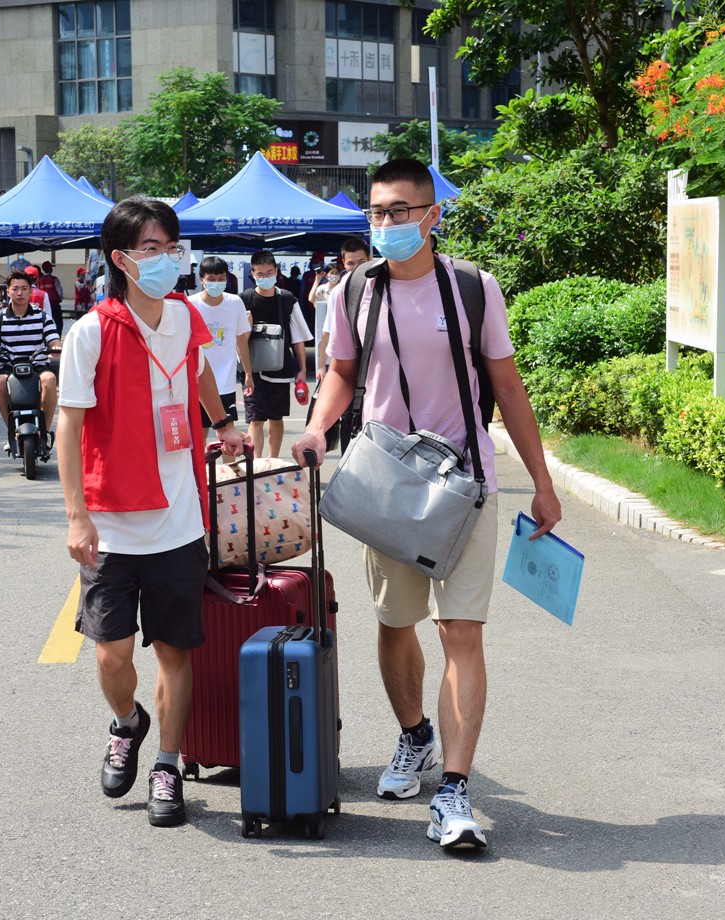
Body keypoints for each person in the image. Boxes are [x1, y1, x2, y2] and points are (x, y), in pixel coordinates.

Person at [291, 158, 562, 851]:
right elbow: (341, 373)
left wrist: (542, 481)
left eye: (400, 212)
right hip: (385, 485)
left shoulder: (473, 288)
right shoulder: (355, 290)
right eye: (377, 212)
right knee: (395, 623)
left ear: (432, 215)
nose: (386, 224)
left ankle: (454, 790)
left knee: (460, 632)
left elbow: (508, 386)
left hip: (464, 487)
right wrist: (317, 428)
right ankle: (415, 735)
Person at [56, 197, 247, 829]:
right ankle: (126, 722)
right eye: (151, 249)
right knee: (112, 653)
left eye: (172, 248)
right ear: (121, 259)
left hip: (180, 519)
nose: (167, 259)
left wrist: (223, 423)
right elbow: (68, 425)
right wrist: (76, 516)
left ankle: (168, 763)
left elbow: (197, 371)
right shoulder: (92, 331)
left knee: (174, 649)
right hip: (112, 520)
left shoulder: (186, 314)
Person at [0, 270, 61, 449]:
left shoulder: (43, 317)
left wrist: (55, 348)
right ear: (7, 291)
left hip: (37, 366)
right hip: (8, 367)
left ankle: (45, 433)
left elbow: (54, 341)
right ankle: (12, 432)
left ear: (31, 291)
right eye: (15, 289)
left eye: (24, 288)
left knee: (50, 379)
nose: (20, 293)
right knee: (0, 383)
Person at [240, 250, 309, 459]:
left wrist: (302, 369)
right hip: (252, 371)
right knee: (256, 419)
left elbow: (298, 337)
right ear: (252, 274)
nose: (265, 277)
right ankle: (256, 465)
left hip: (281, 369)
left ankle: (273, 461)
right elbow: (237, 338)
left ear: (277, 271)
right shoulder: (243, 299)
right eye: (260, 274)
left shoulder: (287, 299)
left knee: (276, 417)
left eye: (269, 273)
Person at [191, 256, 254, 428]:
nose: (216, 283)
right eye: (211, 279)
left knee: (228, 430)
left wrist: (248, 373)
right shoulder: (190, 304)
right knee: (200, 430)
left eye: (221, 278)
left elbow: (241, 339)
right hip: (198, 380)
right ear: (201, 279)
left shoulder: (235, 302)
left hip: (226, 381)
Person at [315, 238, 370, 376]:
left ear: (369, 259)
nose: (357, 267)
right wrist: (321, 366)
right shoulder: (339, 292)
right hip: (350, 361)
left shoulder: (382, 287)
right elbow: (328, 330)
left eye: (361, 262)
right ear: (344, 264)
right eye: (351, 263)